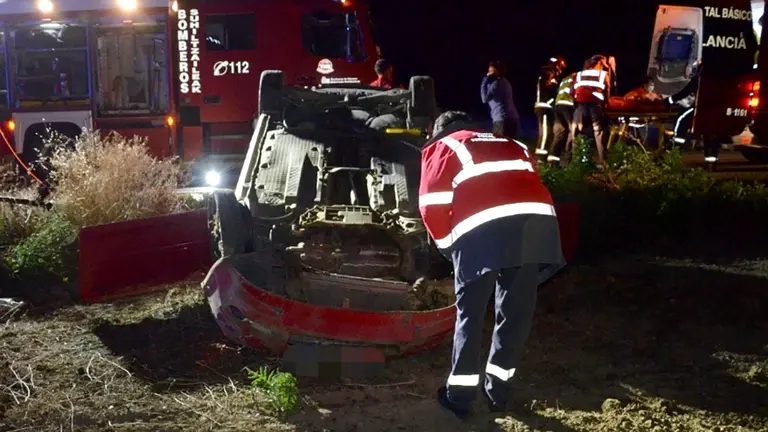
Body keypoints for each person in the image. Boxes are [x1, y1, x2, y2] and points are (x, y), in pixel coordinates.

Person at [418, 110, 565, 419]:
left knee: (470, 314)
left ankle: (459, 396)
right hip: (535, 228)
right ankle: (498, 390)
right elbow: (523, 184)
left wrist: (448, 249)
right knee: (515, 313)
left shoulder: (444, 147)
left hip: (481, 234)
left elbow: (432, 206)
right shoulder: (512, 143)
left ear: (440, 130)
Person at [571, 55, 612, 168]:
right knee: (598, 132)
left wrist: (577, 103)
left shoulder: (579, 74)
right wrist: (605, 106)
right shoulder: (603, 74)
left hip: (580, 106)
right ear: (599, 63)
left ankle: (577, 161)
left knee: (578, 133)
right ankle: (603, 162)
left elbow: (571, 91)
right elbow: (607, 91)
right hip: (595, 106)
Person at [534, 57, 566, 160]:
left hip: (548, 108)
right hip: (544, 108)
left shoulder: (549, 74)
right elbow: (547, 92)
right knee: (545, 134)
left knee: (549, 133)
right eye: (560, 67)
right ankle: (540, 158)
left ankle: (544, 157)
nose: (560, 70)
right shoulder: (547, 74)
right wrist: (552, 102)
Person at [480, 60, 520, 138]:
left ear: (496, 71)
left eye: (491, 71)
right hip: (512, 118)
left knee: (500, 146)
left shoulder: (496, 83)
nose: (489, 73)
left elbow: (484, 99)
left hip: (501, 120)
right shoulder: (505, 82)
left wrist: (485, 81)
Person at [549, 70, 576, 165]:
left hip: (558, 105)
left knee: (559, 133)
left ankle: (552, 162)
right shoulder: (576, 77)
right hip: (568, 105)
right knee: (573, 131)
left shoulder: (566, 78)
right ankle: (568, 160)